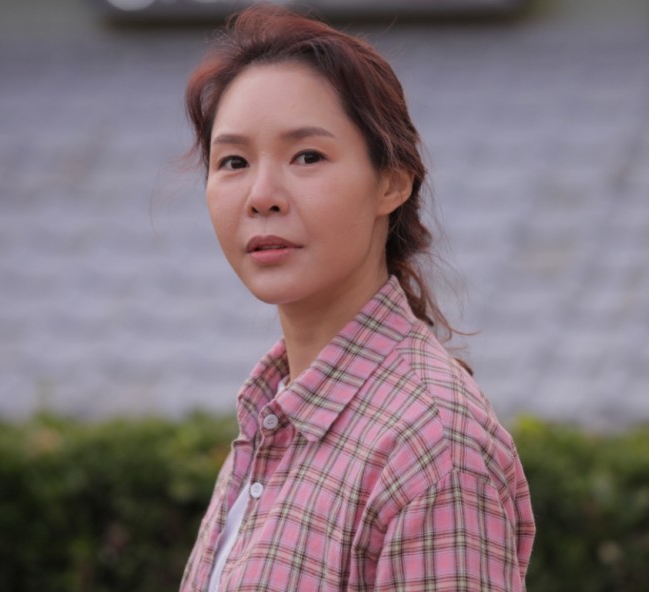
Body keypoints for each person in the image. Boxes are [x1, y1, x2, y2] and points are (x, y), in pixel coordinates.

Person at [179, 6, 535, 591]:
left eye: (307, 156)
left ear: (391, 182)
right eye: (234, 162)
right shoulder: (272, 418)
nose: (262, 195)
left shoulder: (432, 445)